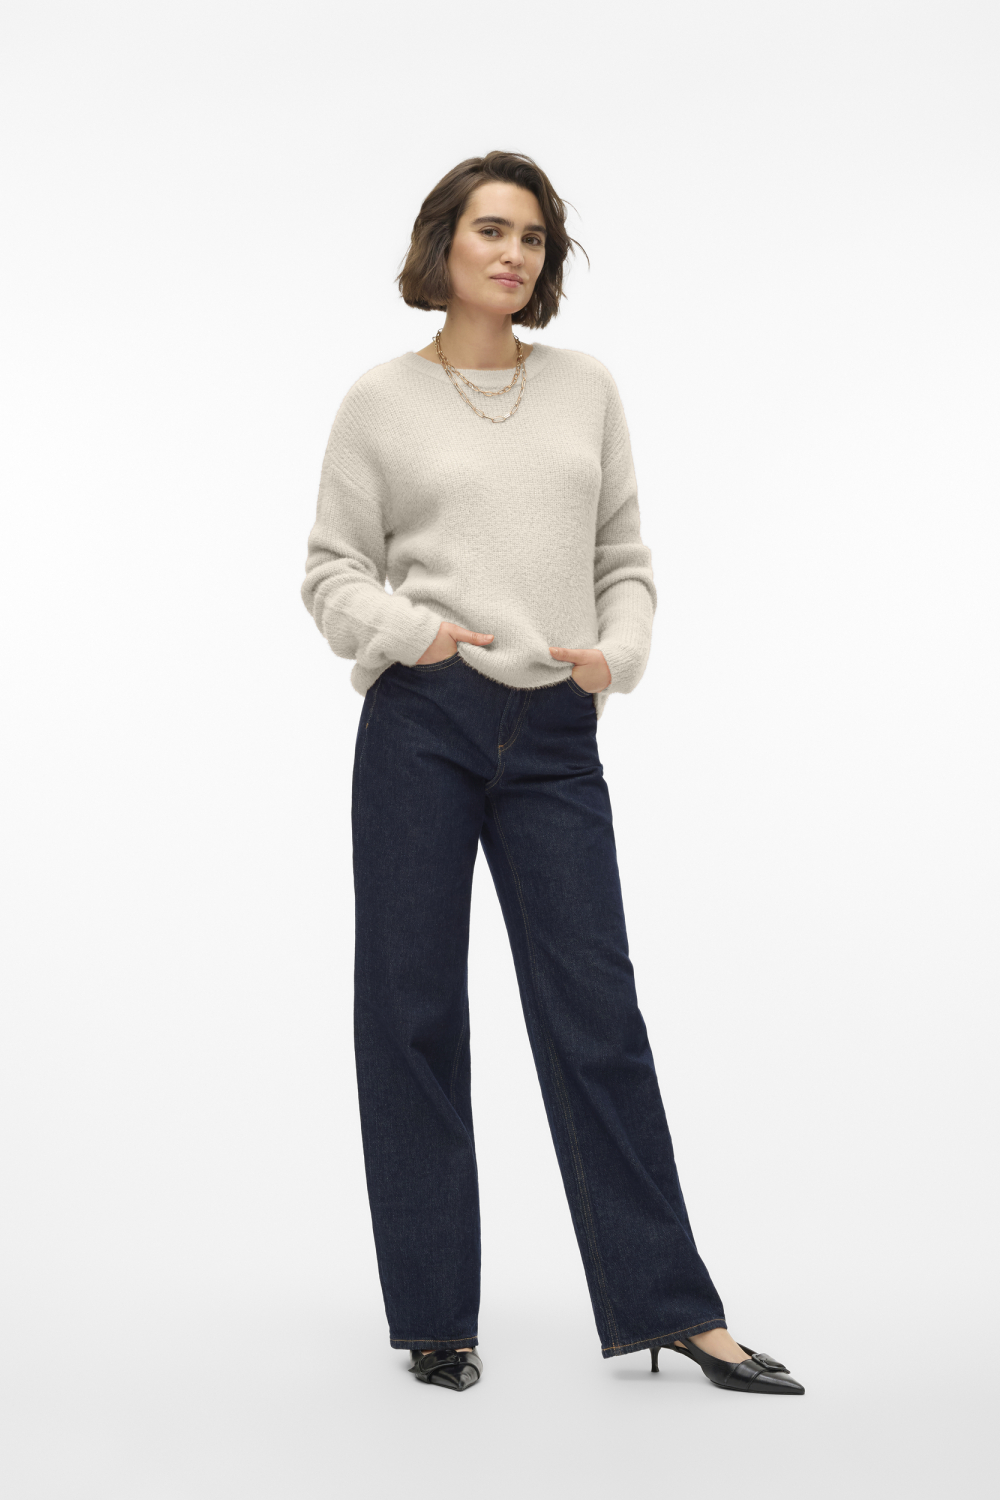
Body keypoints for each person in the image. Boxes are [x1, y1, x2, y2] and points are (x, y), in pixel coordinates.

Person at [300, 150, 804, 1397]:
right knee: (412, 1014)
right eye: (492, 230)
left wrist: (614, 656)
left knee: (597, 1016)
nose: (514, 254)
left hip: (556, 737)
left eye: (532, 237)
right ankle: (435, 1316)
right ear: (443, 244)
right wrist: (413, 633)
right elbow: (330, 571)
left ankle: (672, 1310)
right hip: (422, 722)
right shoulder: (380, 400)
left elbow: (624, 559)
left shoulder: (585, 389)